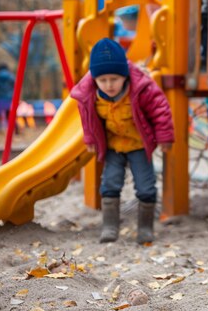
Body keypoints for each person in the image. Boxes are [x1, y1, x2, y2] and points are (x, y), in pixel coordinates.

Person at [71, 38, 174, 244]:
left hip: (137, 144)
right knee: (110, 183)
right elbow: (87, 117)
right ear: (95, 79)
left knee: (146, 186)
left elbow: (160, 110)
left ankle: (145, 227)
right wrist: (90, 137)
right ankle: (110, 226)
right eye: (103, 80)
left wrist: (164, 137)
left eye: (114, 79)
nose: (109, 85)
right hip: (113, 146)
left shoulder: (141, 89)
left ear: (124, 76)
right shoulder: (89, 93)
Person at [0, 63, 15, 133]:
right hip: (10, 98)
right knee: (9, 115)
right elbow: (15, 88)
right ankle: (11, 129)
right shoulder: (11, 77)